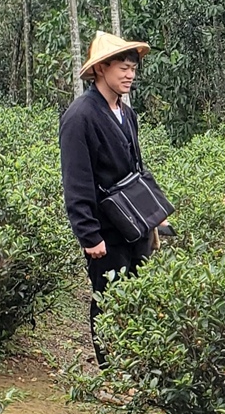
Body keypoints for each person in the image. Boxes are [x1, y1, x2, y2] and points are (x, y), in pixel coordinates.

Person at [59, 31, 155, 365]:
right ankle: (109, 367)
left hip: (135, 225)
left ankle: (133, 365)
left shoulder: (127, 115)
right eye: (122, 67)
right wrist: (89, 234)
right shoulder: (80, 116)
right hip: (105, 230)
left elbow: (138, 169)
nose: (129, 74)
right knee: (108, 296)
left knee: (136, 296)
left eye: (133, 68)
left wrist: (156, 214)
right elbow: (76, 179)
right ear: (101, 69)